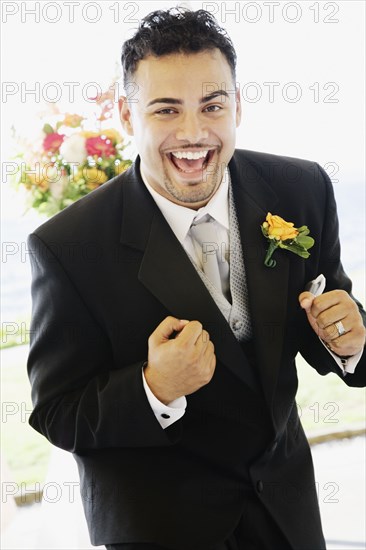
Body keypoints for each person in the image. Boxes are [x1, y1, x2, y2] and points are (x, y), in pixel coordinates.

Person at [27, 8, 365, 550]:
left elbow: (330, 324)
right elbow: (57, 413)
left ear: (238, 106)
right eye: (166, 110)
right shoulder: (67, 245)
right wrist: (153, 388)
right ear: (125, 114)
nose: (193, 134)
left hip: (286, 511)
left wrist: (352, 340)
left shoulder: (300, 189)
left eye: (212, 105)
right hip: (161, 527)